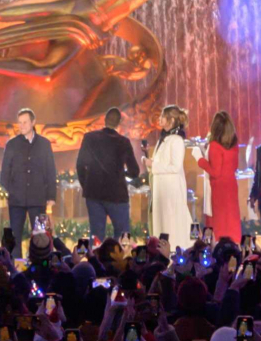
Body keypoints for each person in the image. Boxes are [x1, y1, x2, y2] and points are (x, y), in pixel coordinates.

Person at [76, 112, 143, 237]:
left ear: (104, 120)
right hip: (117, 195)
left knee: (96, 236)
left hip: (94, 194)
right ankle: (120, 257)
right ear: (119, 123)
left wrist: (87, 185)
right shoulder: (124, 142)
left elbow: (80, 165)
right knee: (123, 235)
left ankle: (96, 256)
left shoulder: (89, 137)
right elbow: (135, 171)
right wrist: (122, 174)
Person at [0, 108, 58, 239]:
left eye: (25, 122)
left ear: (33, 122)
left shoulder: (44, 144)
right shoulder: (11, 144)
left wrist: (51, 197)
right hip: (16, 199)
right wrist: (4, 194)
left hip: (38, 199)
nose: (21, 126)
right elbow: (5, 171)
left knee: (41, 237)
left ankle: (39, 260)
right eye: (20, 122)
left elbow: (51, 171)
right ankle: (15, 260)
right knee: (15, 238)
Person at [146, 108, 194, 253]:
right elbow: (161, 162)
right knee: (162, 221)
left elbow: (175, 166)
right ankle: (162, 251)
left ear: (171, 120)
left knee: (172, 221)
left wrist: (153, 165)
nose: (159, 119)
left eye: (163, 116)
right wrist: (150, 163)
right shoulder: (164, 139)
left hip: (171, 190)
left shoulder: (177, 140)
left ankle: (176, 250)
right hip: (161, 189)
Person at [204, 111, 243, 244]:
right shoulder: (234, 145)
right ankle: (234, 243)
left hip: (218, 188)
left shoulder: (215, 146)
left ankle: (219, 245)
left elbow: (215, 172)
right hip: (231, 186)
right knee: (231, 217)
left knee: (220, 220)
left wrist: (200, 160)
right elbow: (234, 166)